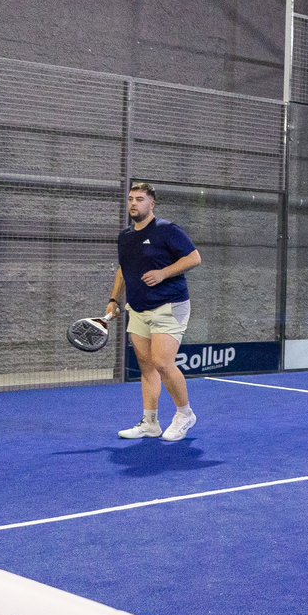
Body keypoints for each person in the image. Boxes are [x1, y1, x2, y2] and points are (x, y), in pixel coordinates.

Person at [107, 182, 203, 441]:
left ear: (152, 204)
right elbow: (123, 270)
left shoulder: (167, 230)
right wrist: (114, 299)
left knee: (162, 363)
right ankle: (150, 423)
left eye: (139, 199)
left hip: (169, 305)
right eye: (130, 199)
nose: (133, 203)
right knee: (147, 366)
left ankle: (185, 414)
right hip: (138, 308)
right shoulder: (125, 236)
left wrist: (163, 273)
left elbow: (194, 258)